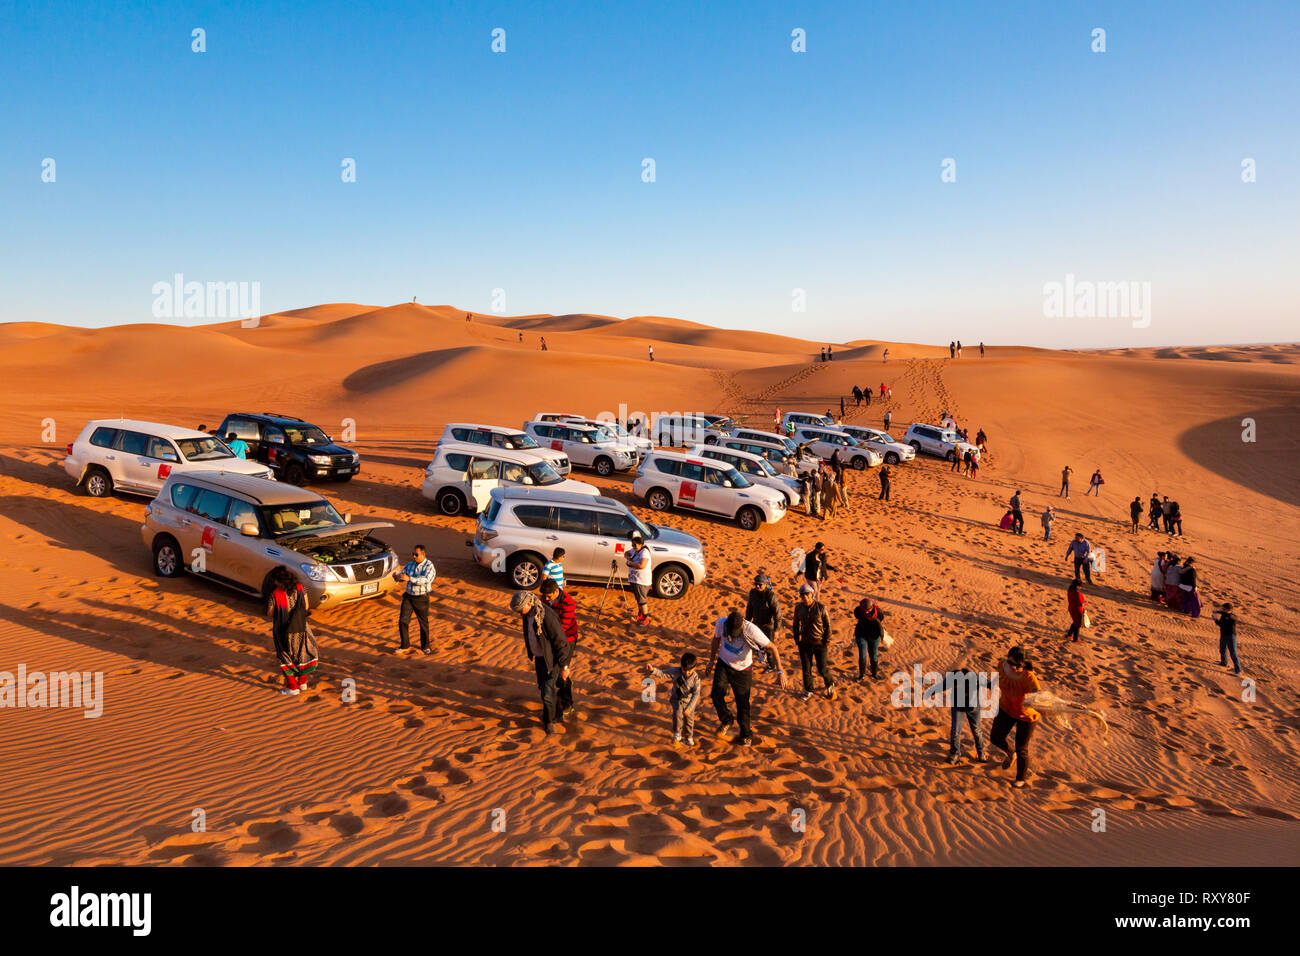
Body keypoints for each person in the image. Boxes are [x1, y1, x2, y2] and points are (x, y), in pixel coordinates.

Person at [705, 610, 789, 746]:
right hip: (723, 664)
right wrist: (711, 661)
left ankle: (745, 734)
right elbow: (716, 640)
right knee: (716, 695)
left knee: (742, 704)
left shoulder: (751, 630)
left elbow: (772, 647)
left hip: (743, 670)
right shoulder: (721, 623)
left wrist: (780, 671)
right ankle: (727, 720)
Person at [510, 591, 571, 734]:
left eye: (519, 610)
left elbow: (561, 642)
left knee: (547, 692)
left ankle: (549, 722)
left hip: (552, 660)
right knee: (543, 687)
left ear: (529, 603)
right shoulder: (527, 614)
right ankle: (557, 714)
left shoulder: (547, 616)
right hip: (539, 657)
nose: (519, 613)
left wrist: (564, 666)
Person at [990, 646, 1040, 787]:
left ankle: (1020, 779)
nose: (1015, 667)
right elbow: (998, 681)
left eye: (1019, 665)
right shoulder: (1001, 666)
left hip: (1026, 715)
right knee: (995, 737)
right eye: (1012, 663)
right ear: (1007, 659)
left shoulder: (1029, 677)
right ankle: (1010, 754)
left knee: (1022, 748)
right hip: (1006, 708)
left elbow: (1038, 694)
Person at [266, 567, 319, 696]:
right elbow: (306, 607)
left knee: (285, 657)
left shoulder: (275, 594)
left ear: (278, 580)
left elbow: (270, 614)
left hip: (283, 631)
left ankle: (293, 687)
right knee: (302, 654)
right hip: (301, 627)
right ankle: (302, 683)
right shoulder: (301, 587)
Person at [540, 578, 578, 720]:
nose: (547, 599)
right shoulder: (544, 598)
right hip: (551, 639)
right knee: (553, 671)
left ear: (557, 591)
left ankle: (568, 703)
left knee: (563, 674)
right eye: (545, 597)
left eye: (549, 596)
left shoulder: (568, 604)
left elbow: (561, 630)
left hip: (567, 640)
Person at [791, 583, 836, 701]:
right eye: (802, 595)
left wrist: (827, 640)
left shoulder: (821, 608)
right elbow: (795, 624)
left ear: (812, 594)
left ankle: (830, 684)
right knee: (806, 668)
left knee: (822, 669)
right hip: (804, 643)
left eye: (807, 594)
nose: (805, 597)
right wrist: (796, 638)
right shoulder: (798, 608)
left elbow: (828, 626)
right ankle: (808, 690)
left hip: (819, 643)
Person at [646, 652, 701, 746]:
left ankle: (688, 737)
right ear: (681, 666)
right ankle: (677, 733)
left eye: (689, 671)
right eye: (684, 670)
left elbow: (696, 694)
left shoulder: (696, 679)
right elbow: (663, 674)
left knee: (689, 720)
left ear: (694, 668)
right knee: (677, 714)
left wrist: (689, 708)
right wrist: (652, 670)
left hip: (689, 702)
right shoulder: (675, 671)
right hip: (677, 699)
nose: (687, 673)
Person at [393, 544, 436, 654]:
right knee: (403, 620)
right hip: (408, 596)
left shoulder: (429, 566)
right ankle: (405, 645)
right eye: (413, 554)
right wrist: (398, 577)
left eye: (416, 554)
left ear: (423, 554)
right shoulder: (410, 564)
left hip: (421, 598)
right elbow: (403, 575)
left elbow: (426, 580)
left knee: (423, 623)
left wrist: (410, 578)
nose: (414, 557)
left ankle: (425, 646)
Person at [946, 665, 986, 764]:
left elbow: (991, 683)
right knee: (955, 730)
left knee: (976, 730)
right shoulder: (952, 678)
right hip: (958, 707)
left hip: (973, 708)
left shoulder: (976, 679)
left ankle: (981, 752)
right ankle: (955, 753)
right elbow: (941, 686)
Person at [745, 572, 782, 669]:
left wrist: (776, 630)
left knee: (769, 647)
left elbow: (777, 614)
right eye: (755, 584)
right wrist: (746, 622)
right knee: (754, 643)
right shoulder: (753, 593)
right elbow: (749, 608)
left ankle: (771, 666)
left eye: (760, 584)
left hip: (768, 625)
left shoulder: (771, 596)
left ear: (765, 585)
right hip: (756, 623)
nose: (757, 586)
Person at [852, 596, 886, 681]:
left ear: (872, 607)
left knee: (873, 655)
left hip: (874, 636)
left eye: (868, 610)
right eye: (865, 610)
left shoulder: (879, 612)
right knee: (862, 655)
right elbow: (857, 616)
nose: (867, 612)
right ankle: (861, 675)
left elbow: (880, 620)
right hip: (861, 635)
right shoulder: (858, 610)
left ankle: (874, 674)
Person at [626, 531, 652, 625]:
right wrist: (628, 557)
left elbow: (642, 565)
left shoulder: (644, 552)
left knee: (642, 600)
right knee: (638, 599)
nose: (633, 547)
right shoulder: (634, 550)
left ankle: (646, 618)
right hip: (635, 578)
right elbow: (627, 553)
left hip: (642, 580)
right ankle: (640, 615)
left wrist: (630, 563)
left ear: (641, 544)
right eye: (632, 545)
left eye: (635, 545)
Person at [1212, 604, 1242, 675]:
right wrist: (1215, 619)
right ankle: (1223, 663)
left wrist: (1219, 612)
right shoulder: (1223, 615)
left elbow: (1230, 616)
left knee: (1233, 653)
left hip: (1231, 636)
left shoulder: (1233, 617)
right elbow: (1220, 624)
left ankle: (1238, 670)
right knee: (1222, 649)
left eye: (1223, 609)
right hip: (1223, 635)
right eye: (1222, 609)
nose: (1222, 610)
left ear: (1229, 610)